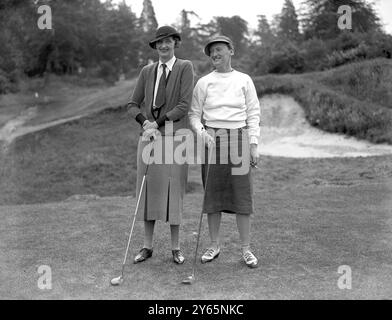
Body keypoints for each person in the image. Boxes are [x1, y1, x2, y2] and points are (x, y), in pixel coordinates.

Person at [189, 35, 260, 268]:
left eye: (219, 50)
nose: (215, 55)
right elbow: (193, 114)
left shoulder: (244, 80)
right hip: (212, 139)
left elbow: (253, 113)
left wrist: (253, 144)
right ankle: (214, 245)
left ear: (231, 51)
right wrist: (202, 133)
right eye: (211, 52)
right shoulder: (204, 82)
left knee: (242, 194)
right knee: (213, 195)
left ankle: (246, 249)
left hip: (239, 138)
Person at [127, 26, 194, 264]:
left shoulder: (185, 67)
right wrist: (146, 123)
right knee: (148, 191)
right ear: (155, 46)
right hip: (150, 138)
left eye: (168, 41)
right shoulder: (147, 71)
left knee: (174, 191)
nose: (164, 46)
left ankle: (175, 248)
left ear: (175, 43)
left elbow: (184, 105)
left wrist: (157, 123)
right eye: (159, 43)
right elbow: (132, 104)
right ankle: (147, 246)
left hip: (176, 137)